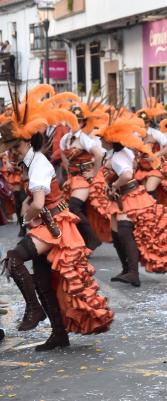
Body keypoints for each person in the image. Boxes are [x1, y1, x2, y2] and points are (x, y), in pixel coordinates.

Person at [0, 85, 113, 351]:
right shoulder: (31, 162)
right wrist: (29, 206)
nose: (11, 151)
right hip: (49, 222)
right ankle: (58, 333)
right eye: (9, 146)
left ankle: (34, 309)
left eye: (14, 146)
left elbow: (39, 203)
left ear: (27, 141)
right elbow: (37, 197)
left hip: (54, 225)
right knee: (41, 279)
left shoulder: (38, 162)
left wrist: (28, 212)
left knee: (14, 259)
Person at [99, 115, 167, 287]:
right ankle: (126, 269)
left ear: (110, 140)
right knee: (116, 233)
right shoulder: (117, 152)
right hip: (124, 196)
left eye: (103, 138)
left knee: (124, 232)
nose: (100, 141)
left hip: (129, 195)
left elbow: (127, 174)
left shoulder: (119, 156)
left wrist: (114, 184)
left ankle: (133, 273)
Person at [60, 104, 109, 250]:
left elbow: (99, 154)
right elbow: (63, 153)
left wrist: (94, 172)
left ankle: (92, 240)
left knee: (74, 207)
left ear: (82, 123)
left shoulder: (84, 138)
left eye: (78, 121)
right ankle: (84, 240)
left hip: (85, 178)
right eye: (72, 120)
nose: (75, 123)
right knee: (69, 209)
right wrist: (68, 167)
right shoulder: (65, 138)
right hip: (73, 177)